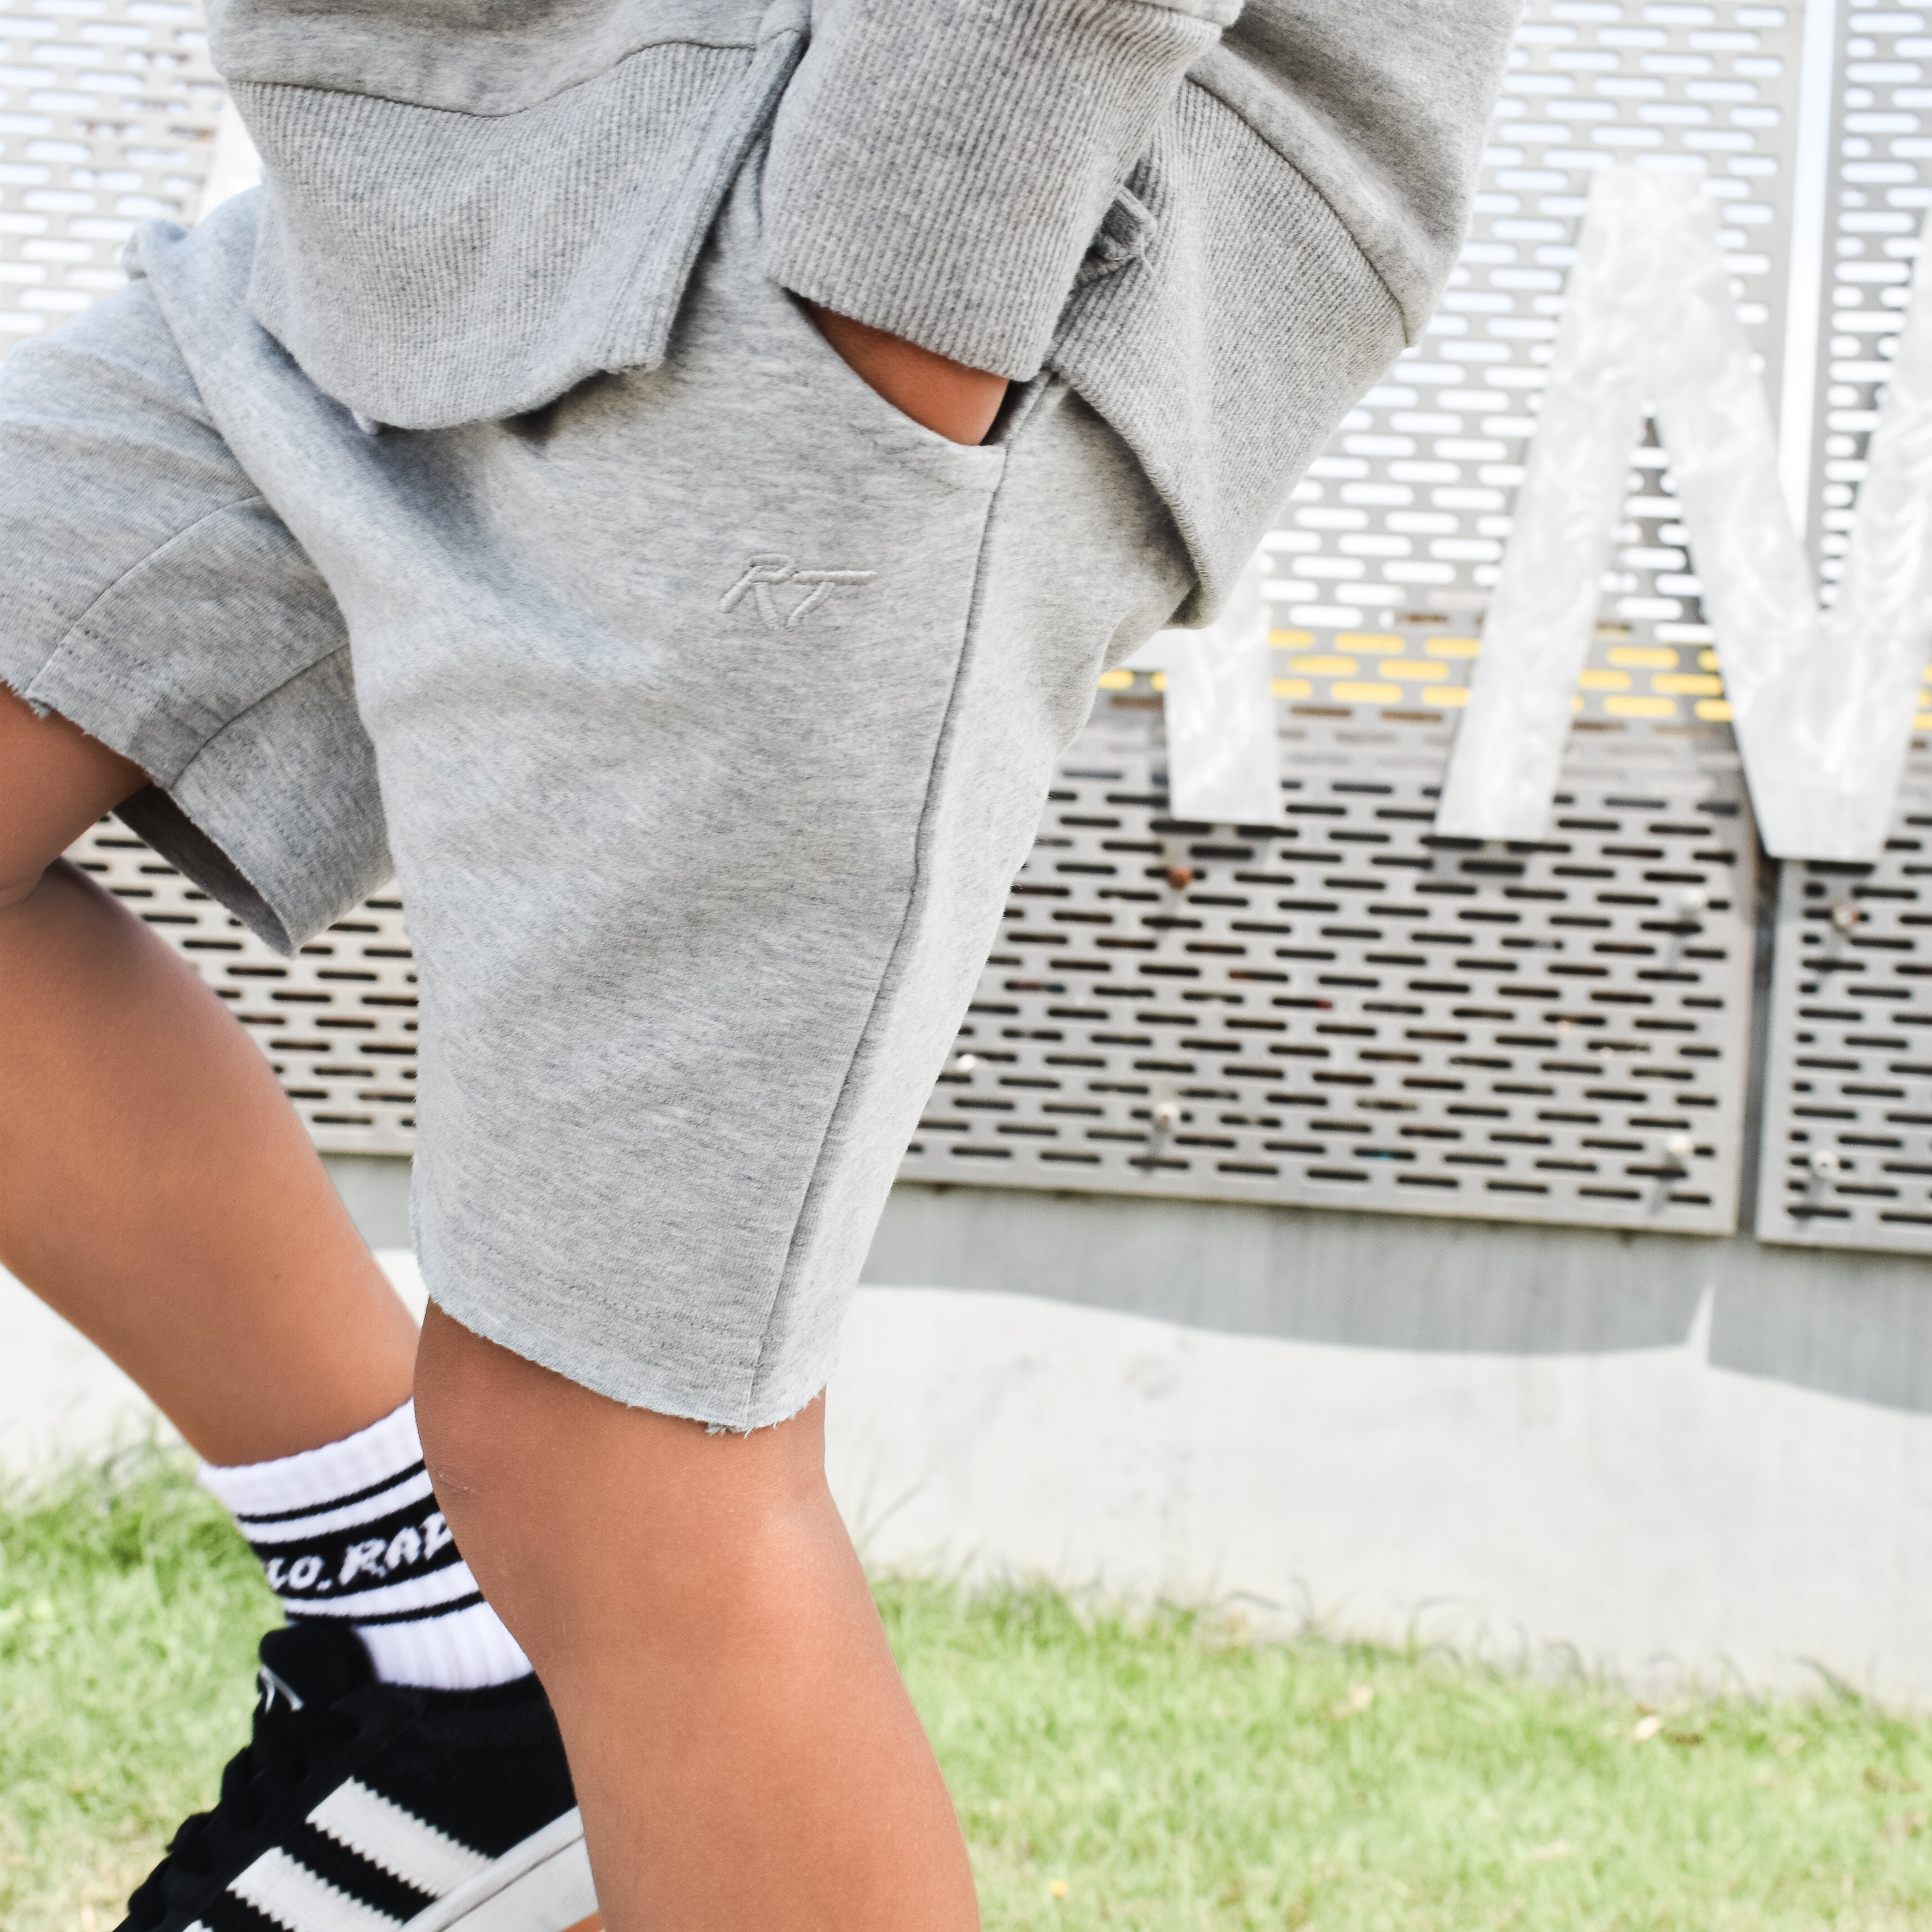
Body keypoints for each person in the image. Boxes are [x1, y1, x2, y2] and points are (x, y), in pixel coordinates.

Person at [0, 0, 1515, 1925]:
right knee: (567, 1479)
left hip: (840, 184)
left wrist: (907, 278)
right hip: (426, 183)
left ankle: (488, 1657)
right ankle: (450, 1669)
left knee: (611, 1448)